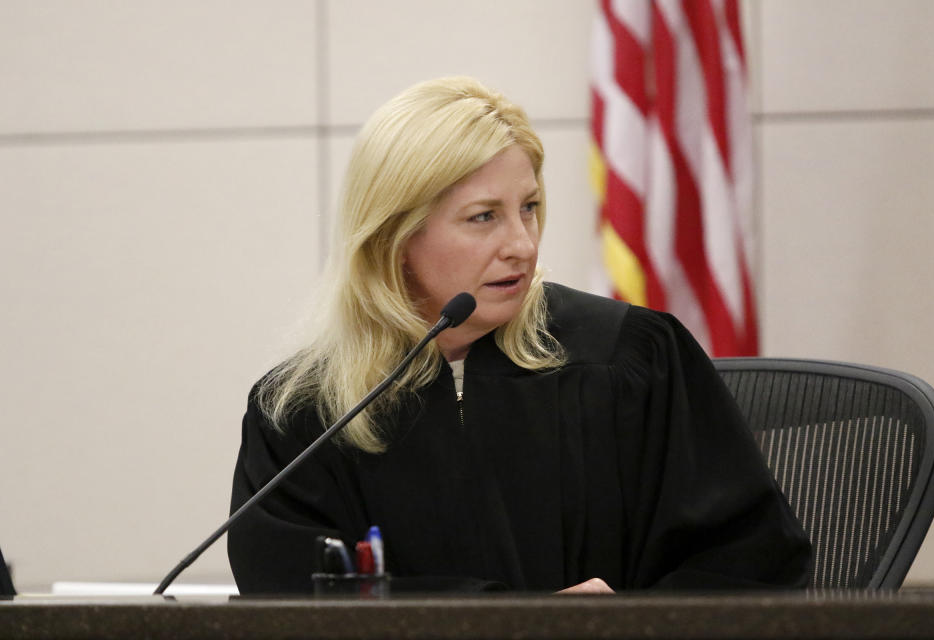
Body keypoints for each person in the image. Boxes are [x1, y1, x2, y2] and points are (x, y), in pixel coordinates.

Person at [228, 76, 811, 595]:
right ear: (395, 237)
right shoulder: (305, 412)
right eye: (484, 216)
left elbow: (749, 564)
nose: (523, 245)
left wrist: (630, 623)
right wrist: (515, 621)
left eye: (528, 207)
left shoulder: (628, 356)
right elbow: (291, 599)